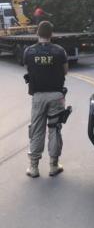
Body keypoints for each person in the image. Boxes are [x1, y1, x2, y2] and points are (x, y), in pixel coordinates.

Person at [23, 21, 68, 178]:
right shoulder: (59, 51)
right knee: (55, 129)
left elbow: (28, 69)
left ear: (37, 33)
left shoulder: (29, 51)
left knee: (36, 130)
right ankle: (53, 166)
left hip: (38, 96)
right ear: (52, 34)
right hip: (56, 95)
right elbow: (65, 71)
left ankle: (34, 168)